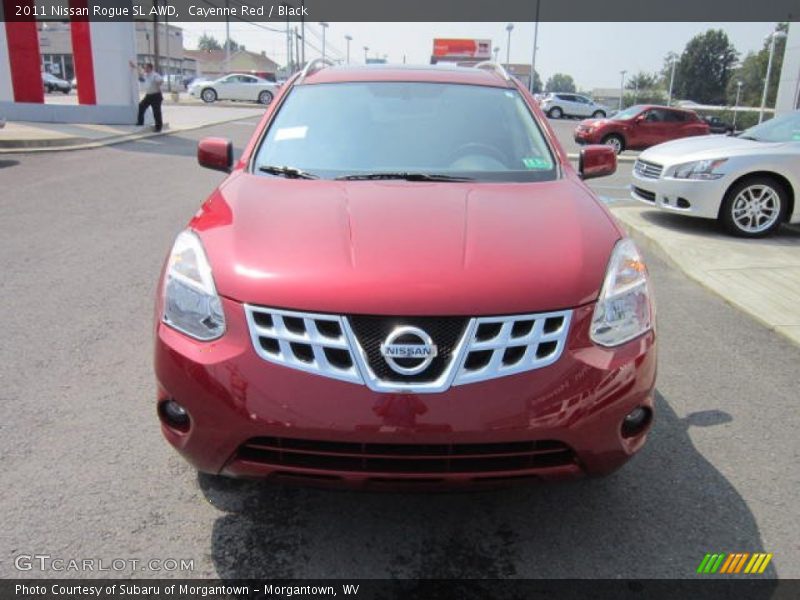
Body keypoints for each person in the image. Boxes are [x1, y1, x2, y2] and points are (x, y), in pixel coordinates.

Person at [130, 60, 163, 132]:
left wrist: (158, 84)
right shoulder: (146, 74)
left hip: (156, 95)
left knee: (156, 112)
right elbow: (139, 69)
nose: (145, 69)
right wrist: (133, 66)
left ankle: (158, 127)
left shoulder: (155, 75)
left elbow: (160, 80)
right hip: (148, 95)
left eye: (146, 68)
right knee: (141, 106)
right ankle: (140, 122)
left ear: (150, 68)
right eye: (145, 68)